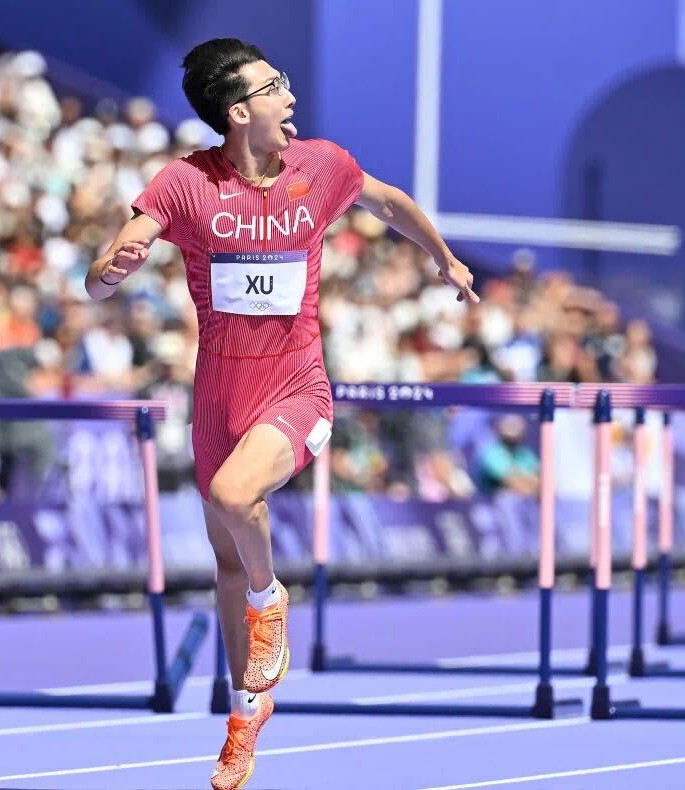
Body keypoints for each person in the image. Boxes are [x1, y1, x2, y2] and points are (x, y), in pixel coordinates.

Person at [84, 38, 478, 790]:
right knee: (227, 563)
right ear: (238, 112)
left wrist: (444, 256)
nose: (290, 97)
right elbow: (108, 270)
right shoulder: (184, 184)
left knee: (238, 500)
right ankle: (244, 720)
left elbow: (389, 202)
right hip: (216, 401)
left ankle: (274, 601)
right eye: (274, 88)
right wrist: (111, 271)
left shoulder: (321, 167)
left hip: (296, 389)